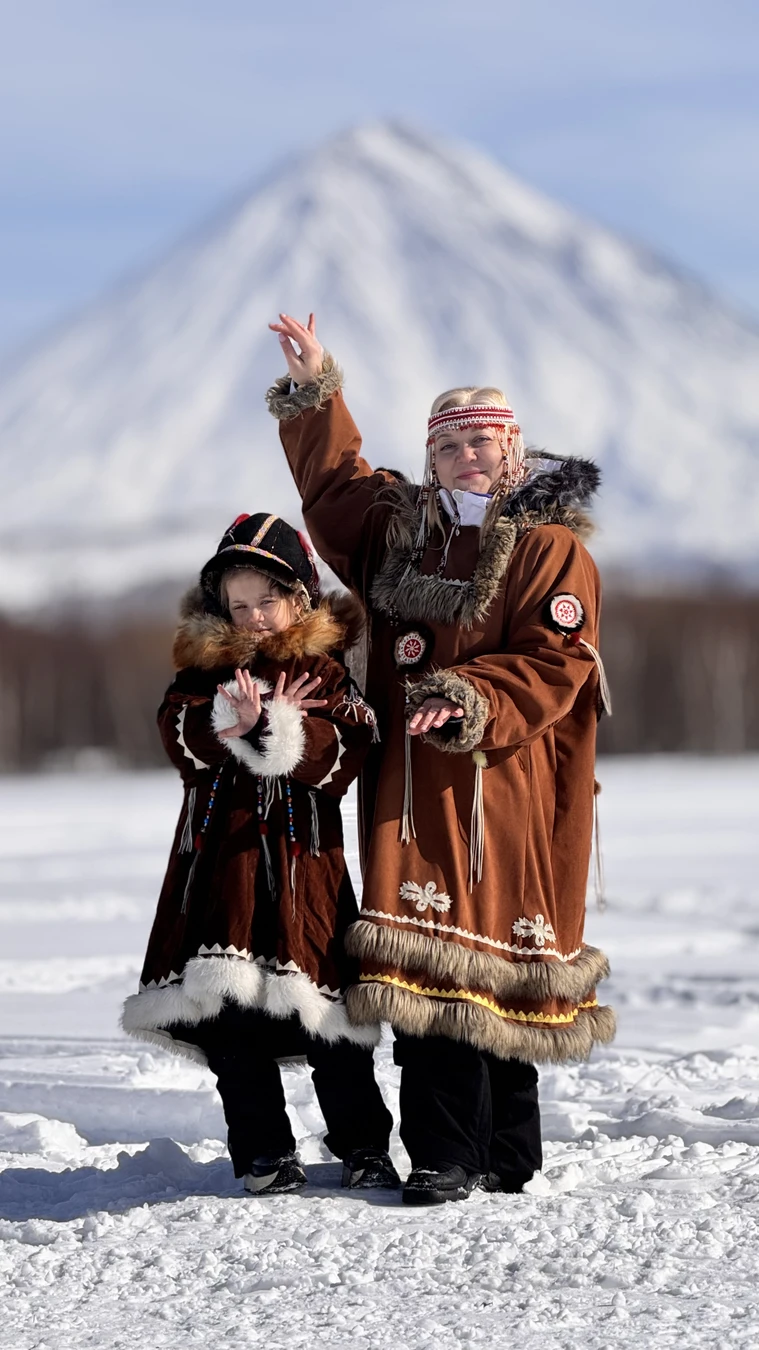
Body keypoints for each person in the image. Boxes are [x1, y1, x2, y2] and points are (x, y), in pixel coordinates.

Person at [266, 313, 615, 1206]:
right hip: (411, 791)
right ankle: (445, 1155)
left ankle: (505, 1150)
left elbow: (556, 661)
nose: (466, 456)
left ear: (513, 450)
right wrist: (315, 392)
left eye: (482, 441)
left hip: (507, 784)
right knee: (423, 962)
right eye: (449, 443)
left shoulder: (549, 546)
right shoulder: (398, 535)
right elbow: (334, 486)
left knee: (498, 955)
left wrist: (467, 695)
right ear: (430, 456)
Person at [122, 511, 398, 1195]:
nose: (252, 618)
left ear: (298, 598)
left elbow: (347, 755)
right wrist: (233, 720)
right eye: (238, 605)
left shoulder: (327, 675)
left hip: (306, 869)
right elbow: (180, 742)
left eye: (265, 602)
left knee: (331, 1018)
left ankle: (364, 1146)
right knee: (231, 1019)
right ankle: (263, 1153)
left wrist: (277, 724)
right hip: (222, 873)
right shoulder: (201, 675)